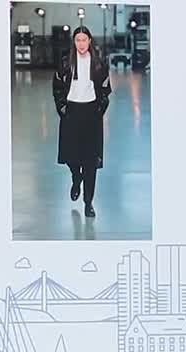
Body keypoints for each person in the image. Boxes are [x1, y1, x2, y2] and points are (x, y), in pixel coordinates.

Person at [52, 26, 111, 217]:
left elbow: (106, 89)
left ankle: (88, 202)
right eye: (78, 40)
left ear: (90, 41)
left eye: (84, 40)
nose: (81, 44)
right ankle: (76, 178)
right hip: (71, 112)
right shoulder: (65, 63)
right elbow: (57, 87)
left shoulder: (99, 64)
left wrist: (100, 109)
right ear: (74, 42)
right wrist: (63, 108)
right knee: (71, 156)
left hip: (91, 113)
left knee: (90, 161)